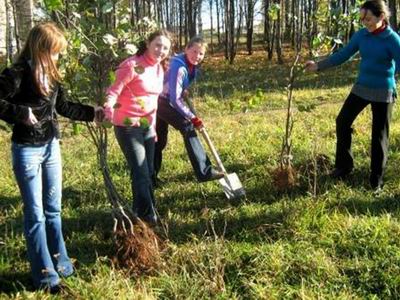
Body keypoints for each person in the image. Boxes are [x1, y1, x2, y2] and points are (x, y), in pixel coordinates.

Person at [0, 22, 103, 292]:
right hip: (27, 151)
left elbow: (64, 106)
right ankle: (46, 278)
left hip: (51, 148)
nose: (57, 57)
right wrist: (20, 113)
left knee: (54, 211)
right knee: (35, 216)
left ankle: (63, 266)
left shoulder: (54, 75)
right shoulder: (17, 74)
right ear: (40, 48)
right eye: (54, 52)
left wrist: (94, 113)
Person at [305, 0, 400, 191]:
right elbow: (344, 54)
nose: (365, 22)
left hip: (383, 91)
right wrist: (318, 66)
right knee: (342, 121)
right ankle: (344, 167)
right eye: (362, 18)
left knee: (379, 136)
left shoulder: (392, 39)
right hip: (361, 87)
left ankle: (376, 181)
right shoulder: (362, 35)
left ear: (381, 16)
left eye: (369, 18)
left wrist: (390, 78)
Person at [104, 30, 172, 225]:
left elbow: (153, 100)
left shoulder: (159, 68)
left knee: (149, 171)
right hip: (127, 126)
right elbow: (112, 91)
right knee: (141, 171)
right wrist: (107, 111)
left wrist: (153, 129)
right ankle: (146, 218)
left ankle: (144, 209)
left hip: (147, 126)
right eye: (157, 45)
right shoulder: (131, 65)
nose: (161, 50)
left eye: (165, 47)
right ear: (148, 43)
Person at [154, 36, 223, 185]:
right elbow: (174, 100)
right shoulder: (179, 67)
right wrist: (193, 118)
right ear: (186, 49)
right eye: (194, 51)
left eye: (201, 53)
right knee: (187, 127)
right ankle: (205, 172)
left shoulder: (189, 65)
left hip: (161, 99)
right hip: (161, 101)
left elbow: (174, 87)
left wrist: (182, 90)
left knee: (158, 139)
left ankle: (151, 178)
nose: (197, 56)